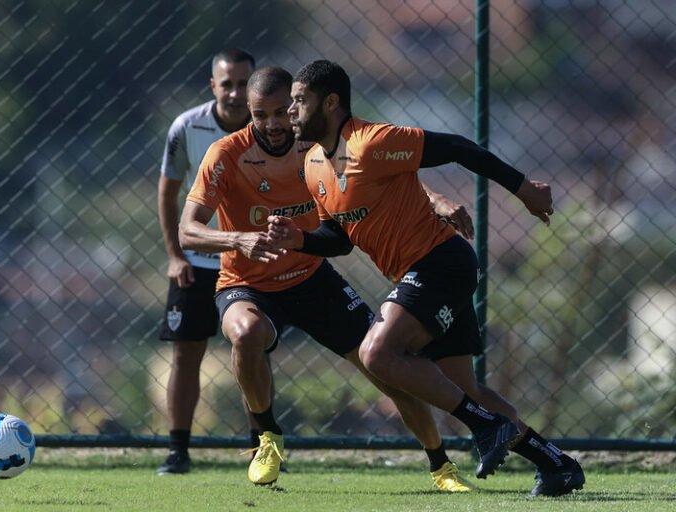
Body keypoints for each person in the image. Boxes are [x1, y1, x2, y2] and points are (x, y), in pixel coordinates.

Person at [268, 59, 585, 497]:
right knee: (462, 389)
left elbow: (457, 147)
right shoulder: (313, 166)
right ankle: (557, 465)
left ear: (331, 102)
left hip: (442, 263)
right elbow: (339, 239)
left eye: (299, 100)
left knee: (377, 353)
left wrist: (523, 188)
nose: (290, 111)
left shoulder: (372, 142)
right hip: (421, 274)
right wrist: (299, 240)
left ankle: (486, 426)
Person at [180, 65, 475, 491]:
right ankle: (267, 436)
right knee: (245, 333)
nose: (273, 124)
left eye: (281, 112)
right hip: (247, 286)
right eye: (261, 115)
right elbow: (187, 231)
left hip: (312, 277)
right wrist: (237, 239)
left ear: (295, 106)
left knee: (385, 365)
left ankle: (441, 466)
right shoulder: (225, 155)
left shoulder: (316, 145)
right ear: (249, 112)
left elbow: (380, 173)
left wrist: (436, 198)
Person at [156, 48, 260, 475]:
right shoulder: (186, 126)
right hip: (196, 263)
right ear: (213, 85)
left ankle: (262, 450)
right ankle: (177, 450)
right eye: (227, 84)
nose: (235, 93)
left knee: (253, 350)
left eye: (243, 84)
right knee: (186, 353)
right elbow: (168, 193)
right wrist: (174, 256)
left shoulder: (271, 127)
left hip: (250, 263)